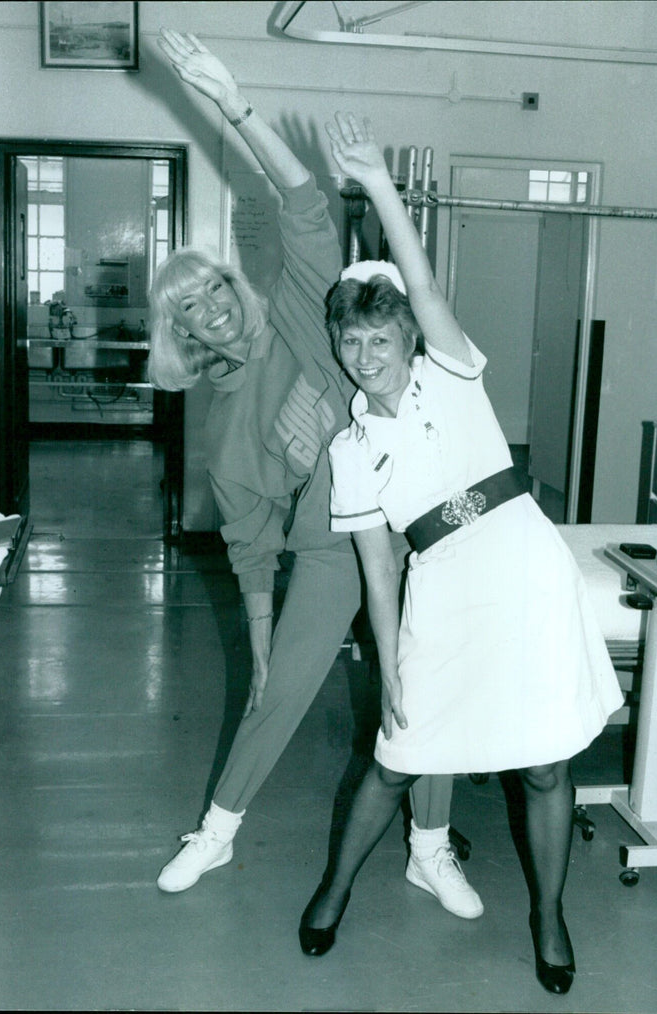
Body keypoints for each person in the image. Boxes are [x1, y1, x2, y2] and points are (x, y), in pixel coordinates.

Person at [147, 31, 482, 920]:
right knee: (280, 690)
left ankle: (429, 848)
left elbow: (300, 200)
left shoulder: (303, 307)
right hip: (332, 542)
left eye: (214, 285)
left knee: (425, 680)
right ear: (181, 336)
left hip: (418, 519)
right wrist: (259, 645)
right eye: (189, 310)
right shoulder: (223, 434)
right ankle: (216, 833)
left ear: (232, 283)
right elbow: (251, 548)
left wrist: (233, 101)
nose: (212, 307)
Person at [297, 112, 625, 997]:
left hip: (523, 570)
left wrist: (376, 186)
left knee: (546, 761)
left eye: (381, 337)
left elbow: (426, 284)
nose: (366, 354)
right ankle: (335, 887)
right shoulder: (351, 449)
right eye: (351, 340)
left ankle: (549, 913)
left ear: (407, 338)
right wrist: (391, 664)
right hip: (441, 590)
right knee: (398, 757)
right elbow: (377, 565)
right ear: (340, 347)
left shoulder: (450, 369)